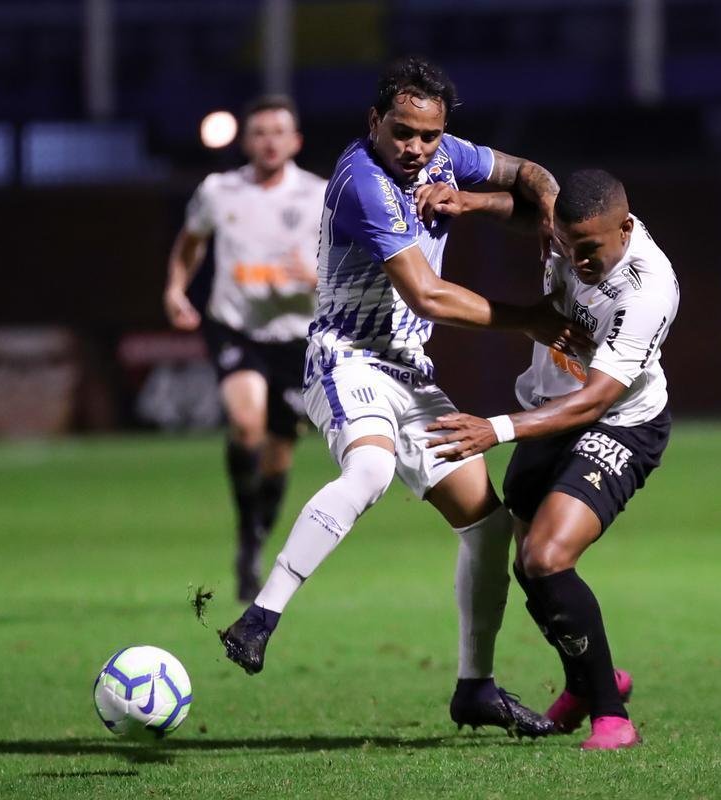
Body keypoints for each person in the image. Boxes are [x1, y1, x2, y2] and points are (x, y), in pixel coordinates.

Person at [219, 56, 592, 737]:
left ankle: (474, 688)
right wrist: (531, 316)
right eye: (402, 133)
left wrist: (520, 207)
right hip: (346, 358)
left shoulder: (445, 155)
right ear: (375, 122)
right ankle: (259, 617)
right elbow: (427, 294)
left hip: (410, 373)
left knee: (486, 527)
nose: (416, 149)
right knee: (368, 470)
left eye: (427, 135)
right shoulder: (362, 180)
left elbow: (531, 177)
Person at [426, 169, 680, 750]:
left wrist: (493, 430)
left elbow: (595, 399)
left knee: (545, 557)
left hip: (615, 425)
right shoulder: (566, 228)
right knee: (529, 569)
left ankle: (612, 717)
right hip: (547, 409)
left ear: (626, 225)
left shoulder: (645, 290)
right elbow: (530, 203)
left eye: (590, 249)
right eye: (569, 245)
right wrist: (471, 203)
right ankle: (588, 681)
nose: (577, 259)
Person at [164, 96, 327, 602]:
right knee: (246, 423)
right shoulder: (219, 190)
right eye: (259, 132)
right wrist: (174, 287)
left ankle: (254, 538)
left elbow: (351, 264)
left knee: (279, 453)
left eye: (279, 131)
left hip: (296, 336)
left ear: (295, 141)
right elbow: (191, 241)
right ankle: (245, 534)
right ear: (245, 141)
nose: (269, 140)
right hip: (235, 326)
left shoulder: (321, 195)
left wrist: (318, 278)